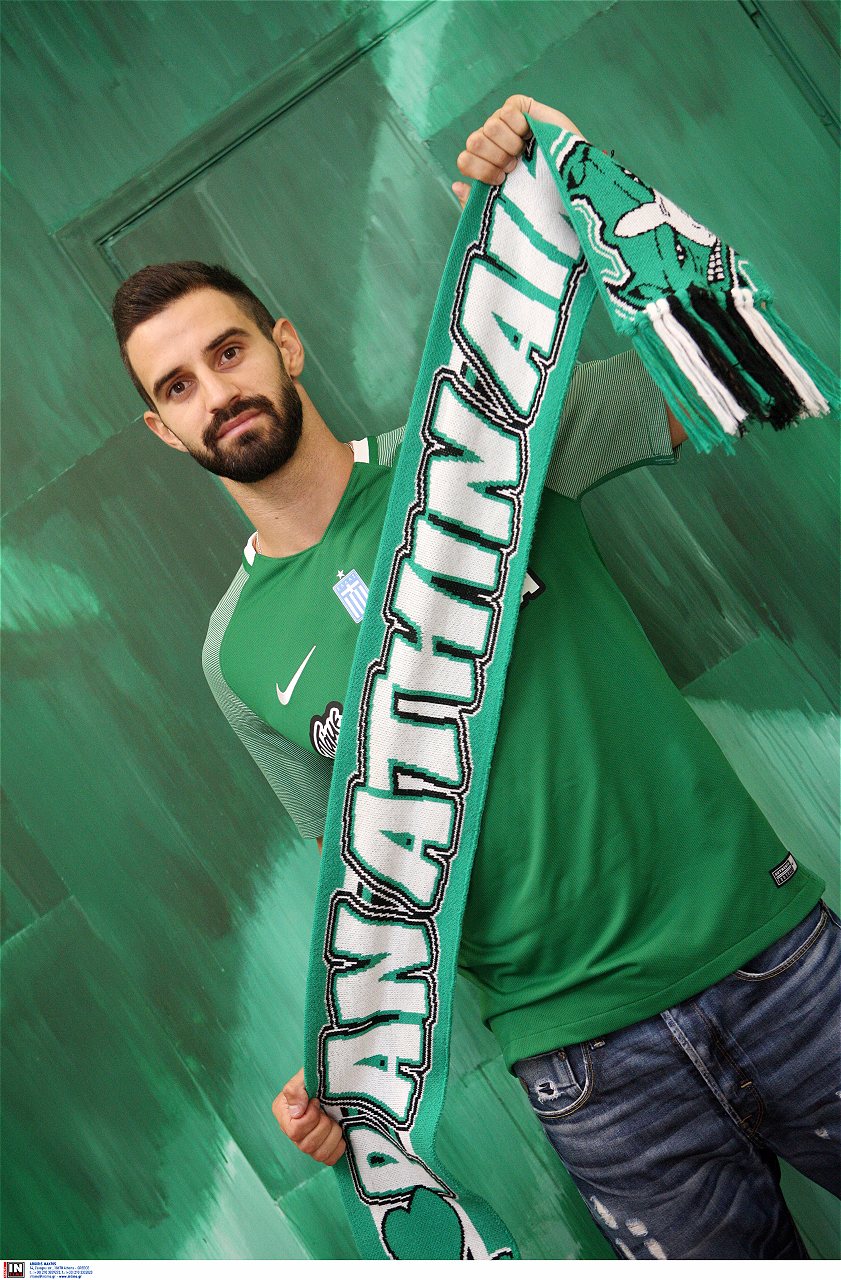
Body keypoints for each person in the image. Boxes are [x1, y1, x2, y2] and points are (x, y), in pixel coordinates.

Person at [112, 95, 840, 1260]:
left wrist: (578, 205)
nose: (216, 390)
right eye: (178, 385)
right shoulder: (233, 656)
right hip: (590, 1076)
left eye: (228, 350)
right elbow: (373, 884)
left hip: (771, 959)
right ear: (162, 428)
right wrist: (346, 1076)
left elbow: (729, 361)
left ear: (284, 344)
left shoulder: (492, 436)